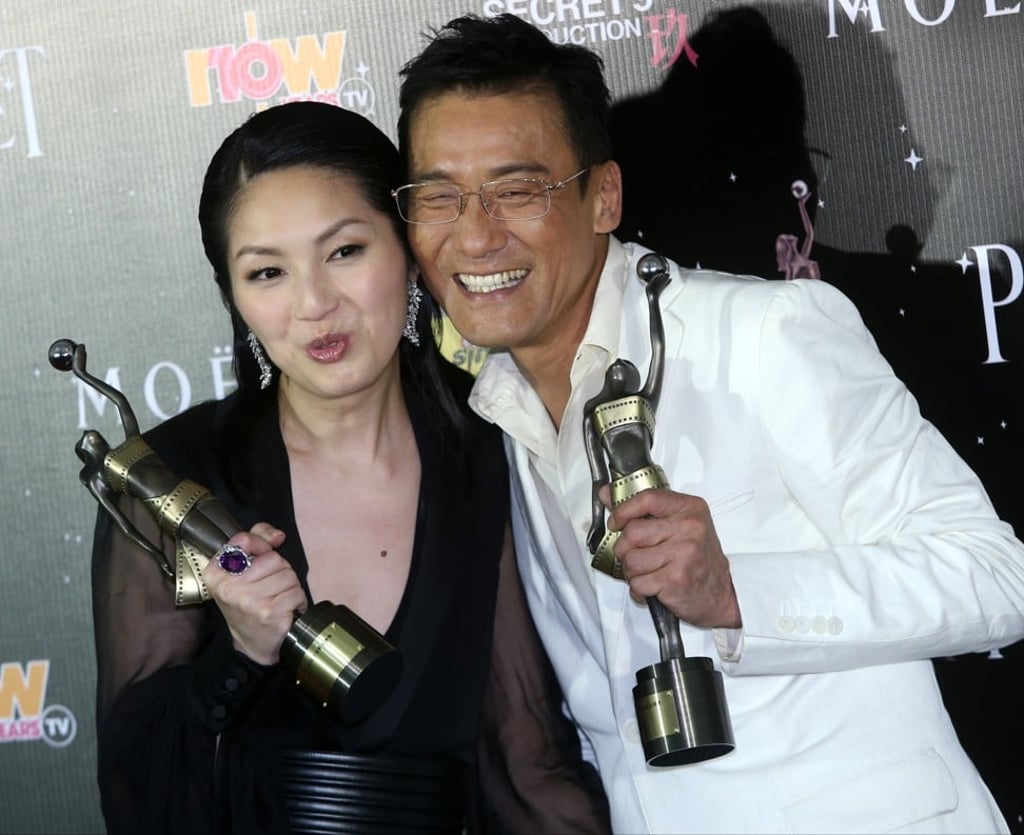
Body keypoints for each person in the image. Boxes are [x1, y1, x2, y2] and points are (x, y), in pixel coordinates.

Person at [395, 14, 1024, 834]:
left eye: (517, 190)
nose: (473, 235)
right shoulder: (491, 414)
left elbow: (994, 577)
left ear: (603, 196)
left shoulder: (763, 335)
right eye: (439, 196)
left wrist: (737, 594)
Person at [90, 101, 610, 834]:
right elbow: (140, 798)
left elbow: (525, 760)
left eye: (344, 252)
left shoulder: (493, 444)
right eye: (267, 271)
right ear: (235, 297)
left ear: (409, 250)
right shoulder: (172, 478)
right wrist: (238, 653)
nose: (313, 304)